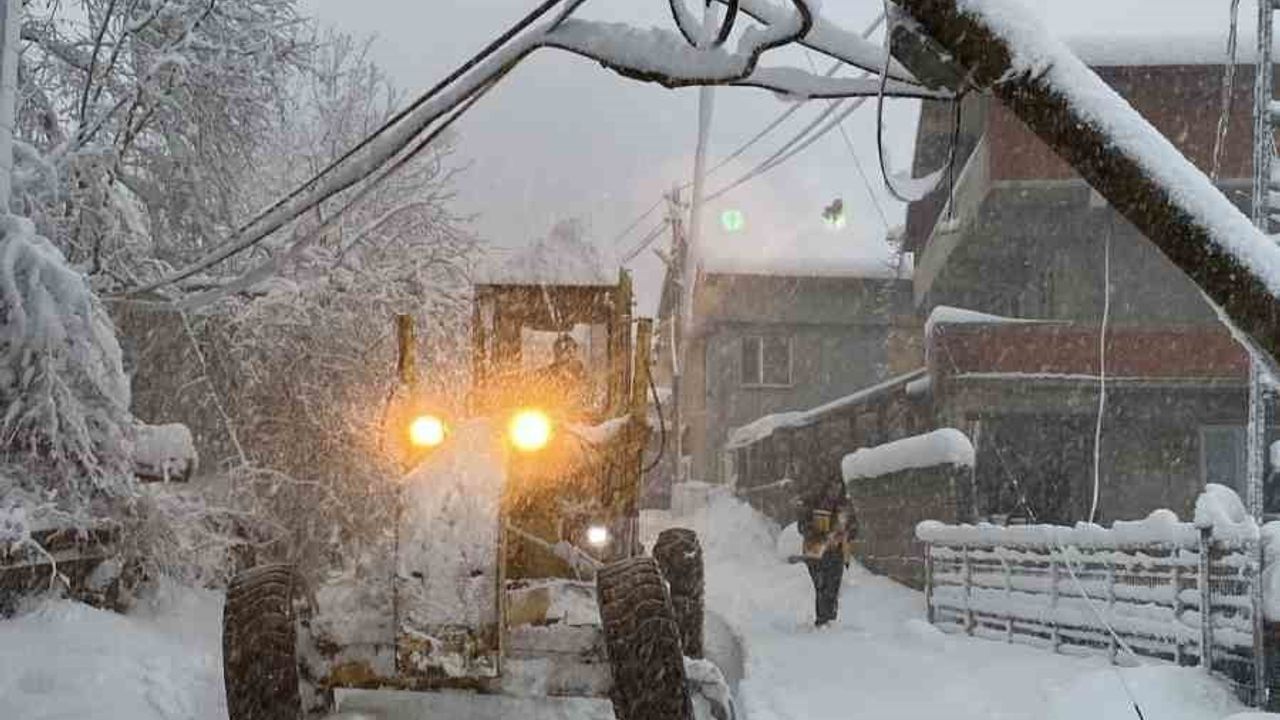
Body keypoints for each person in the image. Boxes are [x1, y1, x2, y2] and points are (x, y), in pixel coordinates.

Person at [796, 476, 856, 627]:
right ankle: (822, 621)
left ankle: (830, 621)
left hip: (836, 552)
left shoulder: (845, 506)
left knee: (833, 588)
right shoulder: (814, 503)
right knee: (821, 587)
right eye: (832, 487)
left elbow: (854, 527)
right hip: (815, 552)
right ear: (826, 488)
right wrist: (819, 534)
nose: (835, 491)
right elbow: (802, 526)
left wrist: (848, 532)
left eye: (838, 488)